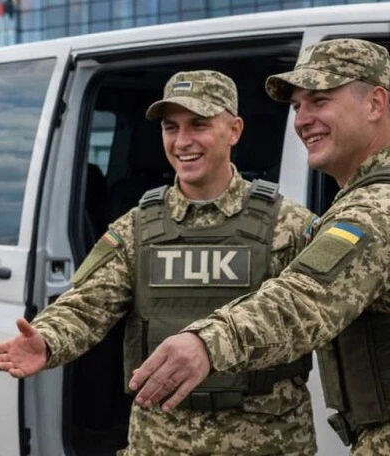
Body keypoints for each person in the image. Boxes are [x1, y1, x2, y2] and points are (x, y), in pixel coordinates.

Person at [0, 70, 318, 455]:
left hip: (268, 439)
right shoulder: (137, 228)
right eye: (170, 127)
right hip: (162, 440)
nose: (182, 141)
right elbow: (88, 303)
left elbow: (321, 308)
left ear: (234, 130)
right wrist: (47, 338)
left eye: (199, 125)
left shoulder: (287, 225)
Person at [128, 38, 390, 454]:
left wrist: (207, 343)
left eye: (320, 100)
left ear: (375, 103)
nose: (302, 120)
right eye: (297, 106)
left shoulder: (375, 209)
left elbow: (303, 299)